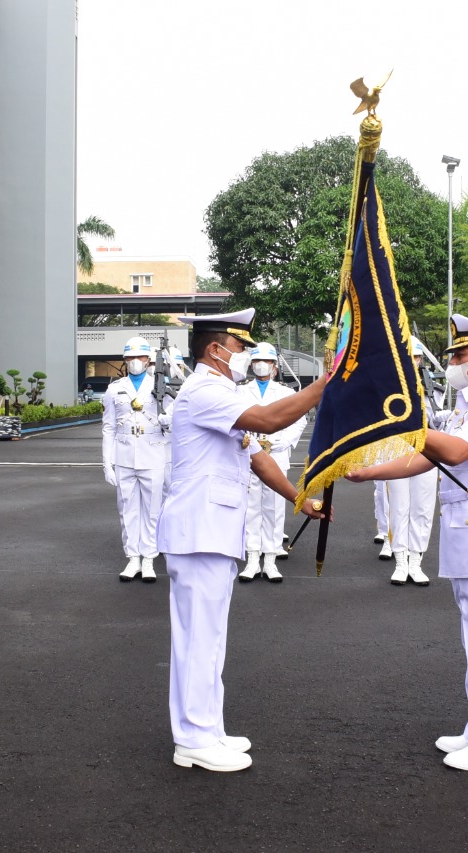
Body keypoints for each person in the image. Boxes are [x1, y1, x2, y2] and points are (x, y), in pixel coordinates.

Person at [348, 314, 468, 771]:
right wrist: (368, 471)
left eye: (460, 355)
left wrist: (402, 421)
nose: (451, 362)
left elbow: (454, 452)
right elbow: (424, 458)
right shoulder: (466, 407)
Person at [156, 308, 328, 772]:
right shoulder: (206, 391)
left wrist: (300, 500)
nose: (245, 356)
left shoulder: (221, 394)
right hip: (199, 532)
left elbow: (258, 456)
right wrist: (323, 385)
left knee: (210, 638)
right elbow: (269, 422)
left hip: (212, 531)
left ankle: (207, 727)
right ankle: (192, 738)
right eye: (239, 347)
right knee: (198, 639)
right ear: (215, 350)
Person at [102, 336, 173, 582]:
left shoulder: (162, 384)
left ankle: (149, 559)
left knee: (153, 509)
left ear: (148, 360)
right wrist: (106, 463)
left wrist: (167, 419)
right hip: (124, 455)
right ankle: (133, 559)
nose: (135, 361)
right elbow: (108, 428)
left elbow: (175, 418)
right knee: (127, 509)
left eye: (140, 357)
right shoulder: (115, 389)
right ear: (125, 360)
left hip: (153, 453)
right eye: (130, 357)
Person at [238, 341, 307, 583]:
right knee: (250, 509)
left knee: (275, 509)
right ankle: (252, 559)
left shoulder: (286, 393)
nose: (261, 366)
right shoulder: (240, 392)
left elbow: (300, 419)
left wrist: (285, 441)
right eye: (256, 361)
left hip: (276, 454)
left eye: (266, 362)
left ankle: (270, 560)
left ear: (274, 367)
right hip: (248, 453)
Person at [377, 337, 439, 587]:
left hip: (426, 449)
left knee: (423, 507)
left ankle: (416, 561)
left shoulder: (433, 386)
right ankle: (401, 560)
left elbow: (436, 417)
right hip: (397, 449)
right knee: (399, 507)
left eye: (416, 357)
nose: (412, 362)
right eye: (407, 357)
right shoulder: (385, 386)